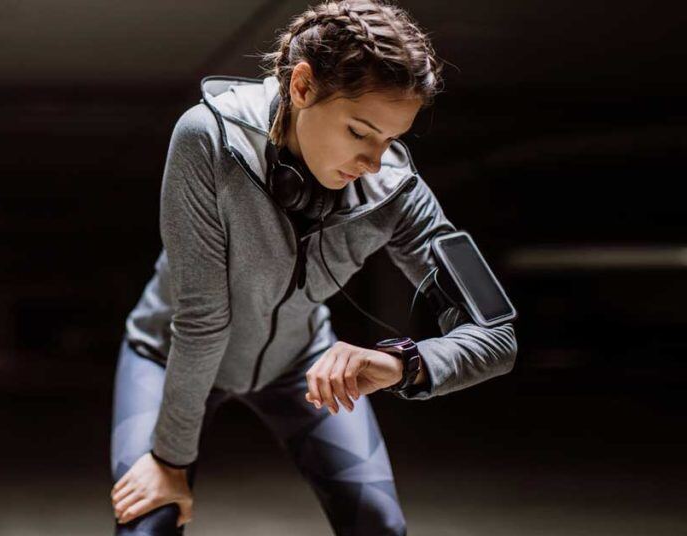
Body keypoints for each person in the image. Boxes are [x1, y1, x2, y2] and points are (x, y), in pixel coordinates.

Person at [109, 1, 517, 534]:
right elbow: (203, 320)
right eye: (359, 131)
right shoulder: (208, 137)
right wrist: (170, 463)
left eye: (391, 140)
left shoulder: (394, 188)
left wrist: (402, 364)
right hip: (167, 356)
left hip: (297, 362)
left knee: (379, 528)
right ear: (302, 87)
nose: (373, 162)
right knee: (149, 522)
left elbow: (497, 335)